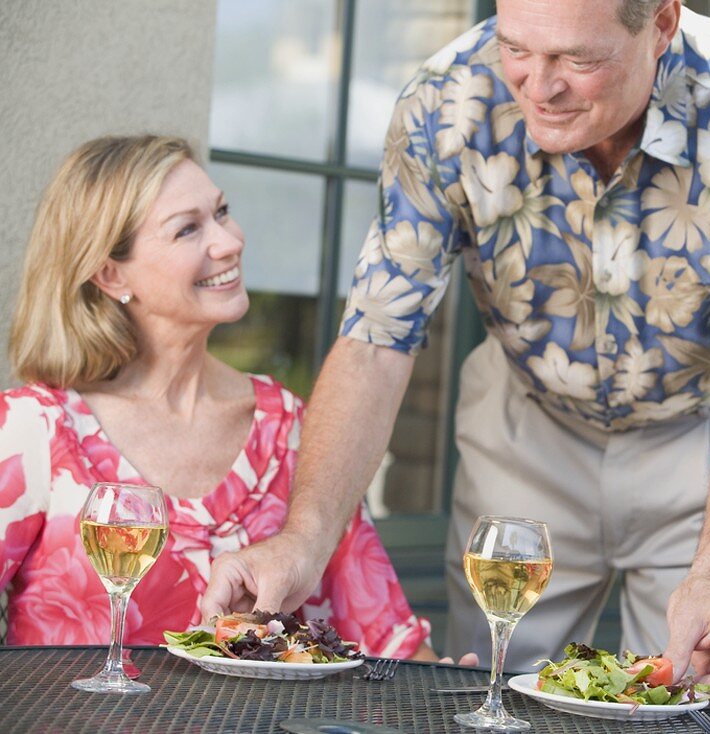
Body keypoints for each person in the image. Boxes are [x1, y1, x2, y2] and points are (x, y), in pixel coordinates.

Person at [202, 0, 710, 707]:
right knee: (488, 697)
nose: (538, 85)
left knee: (687, 705)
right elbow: (378, 338)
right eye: (517, 49)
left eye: (578, 60)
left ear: (661, 23)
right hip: (527, 425)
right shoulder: (445, 101)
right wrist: (304, 542)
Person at [0, 134, 434, 658]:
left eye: (222, 212)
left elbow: (388, 638)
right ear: (111, 273)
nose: (230, 241)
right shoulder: (35, 431)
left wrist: (446, 691)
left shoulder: (288, 428)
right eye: (188, 229)